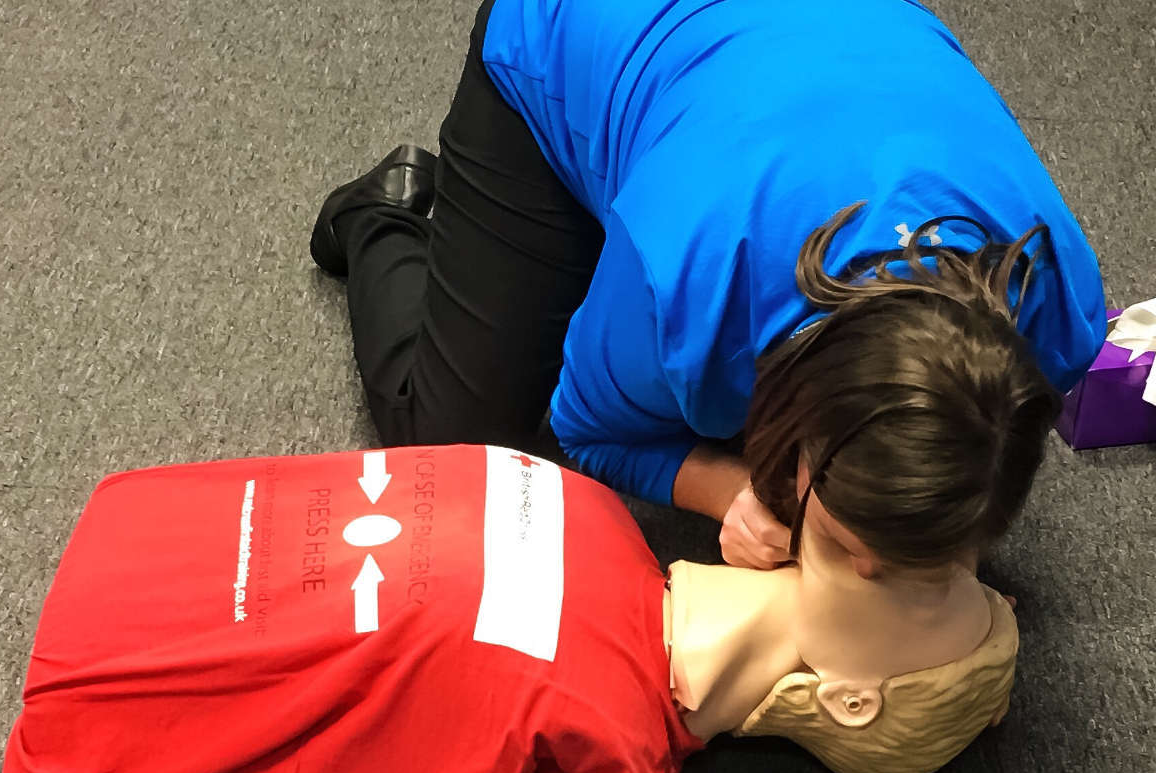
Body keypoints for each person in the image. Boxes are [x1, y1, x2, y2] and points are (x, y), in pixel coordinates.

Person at [308, 0, 1106, 570]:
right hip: (571, 31)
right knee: (457, 441)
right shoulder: (695, 289)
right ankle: (382, 214)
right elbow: (589, 430)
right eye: (848, 552)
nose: (871, 583)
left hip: (786, 66)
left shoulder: (1061, 307)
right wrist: (727, 491)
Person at [3, 445, 1018, 773]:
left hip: (112, 662)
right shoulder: (612, 735)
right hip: (114, 683)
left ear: (850, 700)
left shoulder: (610, 733)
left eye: (942, 598)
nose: (932, 562)